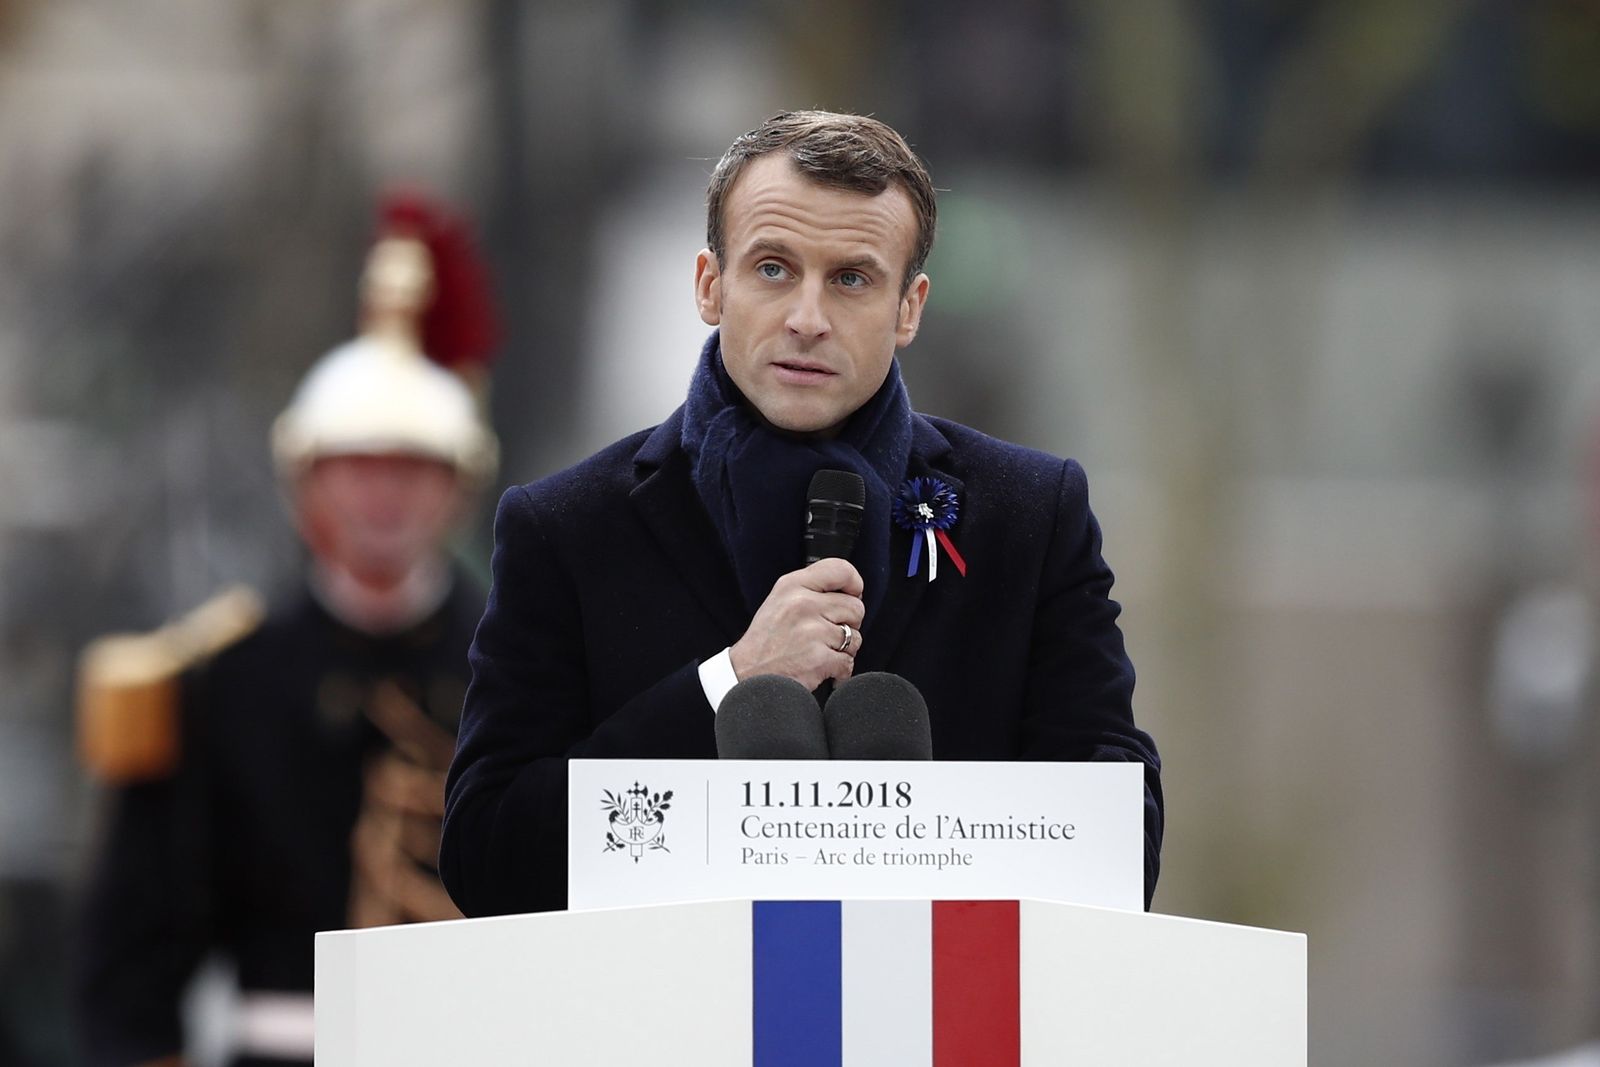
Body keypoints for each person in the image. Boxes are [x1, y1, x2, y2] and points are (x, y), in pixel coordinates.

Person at [441, 110, 1163, 918]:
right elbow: (488, 857)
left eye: (851, 278)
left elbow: (1118, 839)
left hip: (937, 1026)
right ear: (711, 285)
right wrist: (730, 682)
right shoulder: (564, 528)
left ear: (909, 307)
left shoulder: (1030, 515)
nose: (807, 318)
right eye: (774, 269)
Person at [75, 195, 498, 1067]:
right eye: (359, 469)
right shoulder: (217, 681)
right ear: (304, 486)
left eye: (414, 470)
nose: (386, 498)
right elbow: (134, 966)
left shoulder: (522, 663)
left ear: (456, 490)